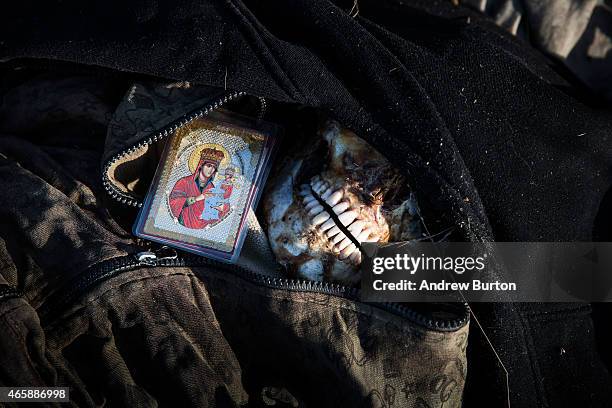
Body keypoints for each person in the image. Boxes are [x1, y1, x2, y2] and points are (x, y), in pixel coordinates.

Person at [168, 147, 231, 228]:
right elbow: (173, 202)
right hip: (182, 223)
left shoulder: (212, 189)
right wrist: (197, 198)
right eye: (208, 165)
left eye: (214, 167)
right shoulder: (184, 182)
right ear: (201, 165)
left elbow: (220, 208)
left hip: (202, 228)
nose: (211, 169)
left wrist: (223, 208)